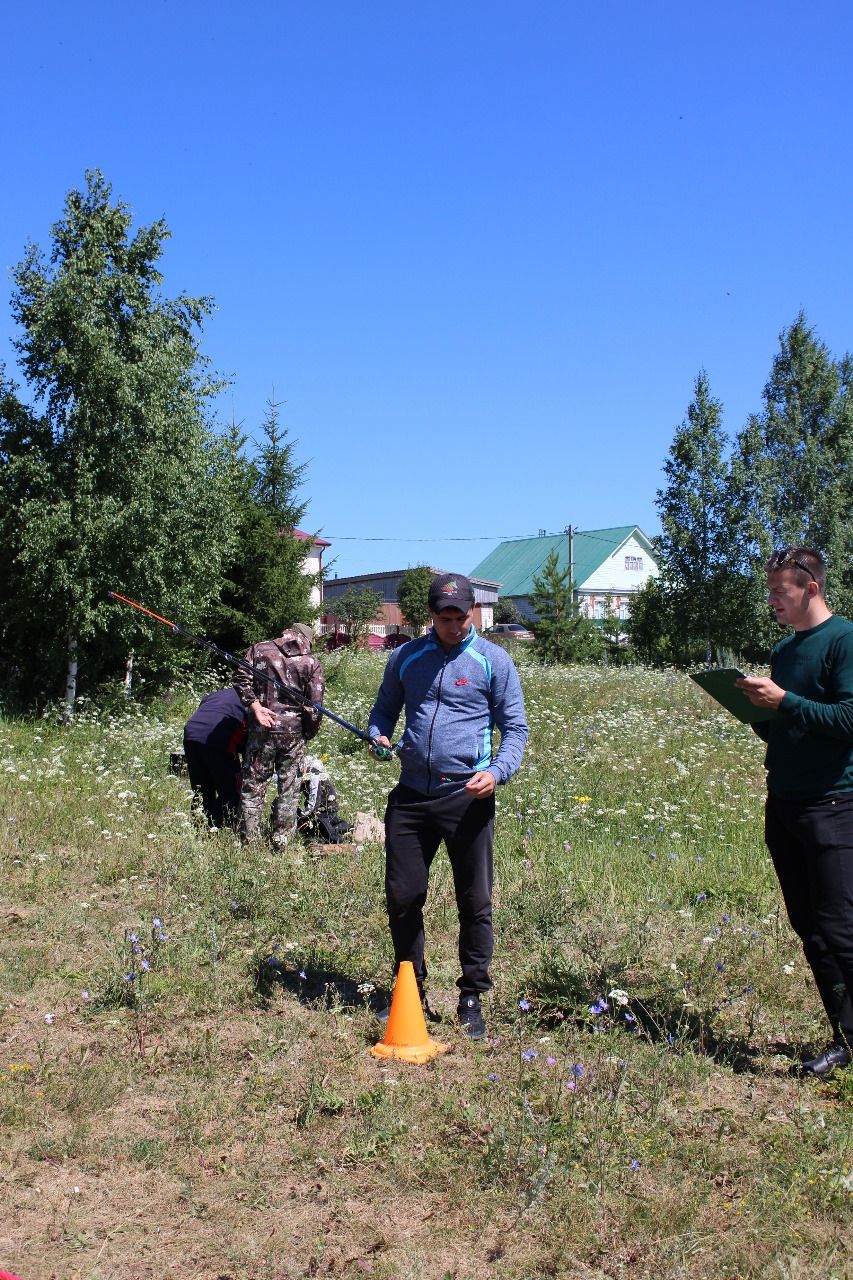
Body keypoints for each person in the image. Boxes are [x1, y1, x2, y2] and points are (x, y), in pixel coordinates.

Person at [368, 572, 528, 1039]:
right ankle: (409, 988)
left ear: (472, 613)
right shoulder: (406, 657)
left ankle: (471, 995)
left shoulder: (492, 660)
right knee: (403, 896)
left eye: (461, 617)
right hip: (412, 796)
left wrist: (496, 773)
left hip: (467, 796)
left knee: (474, 901)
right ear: (430, 616)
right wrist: (379, 735)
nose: (454, 626)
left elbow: (515, 730)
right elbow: (384, 711)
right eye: (444, 618)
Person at [737, 547, 853, 1077]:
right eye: (770, 592)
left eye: (779, 592)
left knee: (839, 927)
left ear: (810, 587)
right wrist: (753, 708)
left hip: (834, 804)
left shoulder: (844, 640)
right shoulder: (786, 649)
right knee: (809, 926)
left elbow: (848, 719)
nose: (772, 602)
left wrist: (782, 700)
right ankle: (845, 1037)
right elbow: (788, 724)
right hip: (783, 803)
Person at [234, 622, 325, 848]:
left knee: (253, 785)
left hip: (261, 729)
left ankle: (249, 840)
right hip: (293, 733)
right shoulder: (311, 662)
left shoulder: (259, 650)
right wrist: (308, 732)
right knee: (289, 787)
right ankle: (281, 840)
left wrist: (255, 707)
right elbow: (315, 706)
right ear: (306, 639)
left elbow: (240, 679)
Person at [182, 687, 248, 829]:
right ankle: (219, 828)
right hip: (219, 738)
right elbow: (250, 737)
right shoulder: (253, 699)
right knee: (230, 792)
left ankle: (199, 827)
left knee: (201, 789)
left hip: (191, 733)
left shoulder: (218, 694)